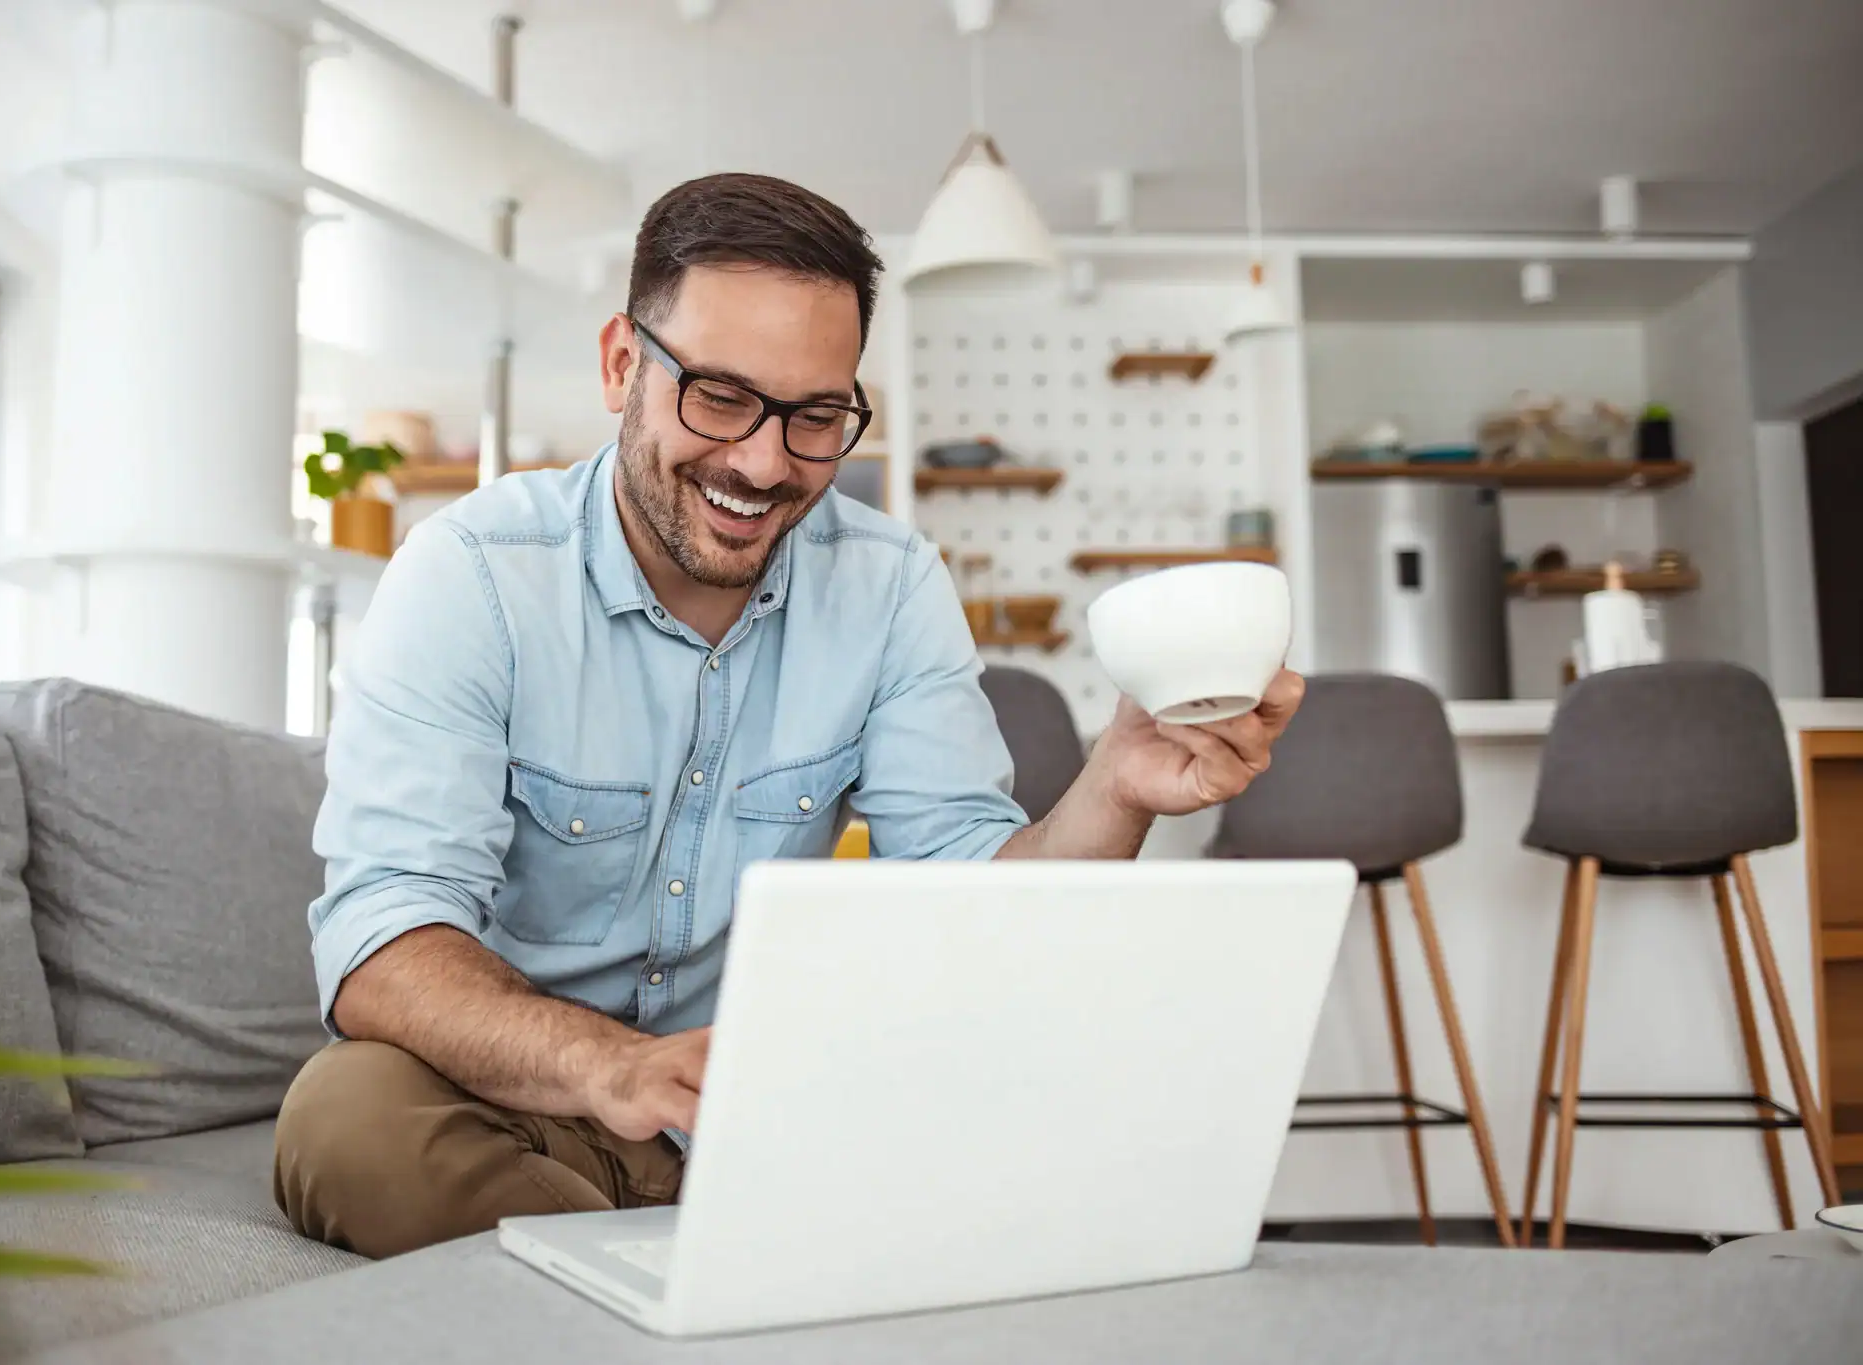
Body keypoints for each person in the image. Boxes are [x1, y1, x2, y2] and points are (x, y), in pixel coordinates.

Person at [274, 172, 1305, 1258]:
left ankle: (669, 1264)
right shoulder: (471, 574)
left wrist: (1117, 785)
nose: (763, 464)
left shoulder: (891, 584)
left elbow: (970, 897)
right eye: (718, 397)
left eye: (815, 417)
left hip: (768, 1105)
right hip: (523, 1098)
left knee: (1083, 1086)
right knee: (350, 1128)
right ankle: (735, 1262)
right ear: (622, 363)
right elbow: (383, 940)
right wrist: (608, 1065)